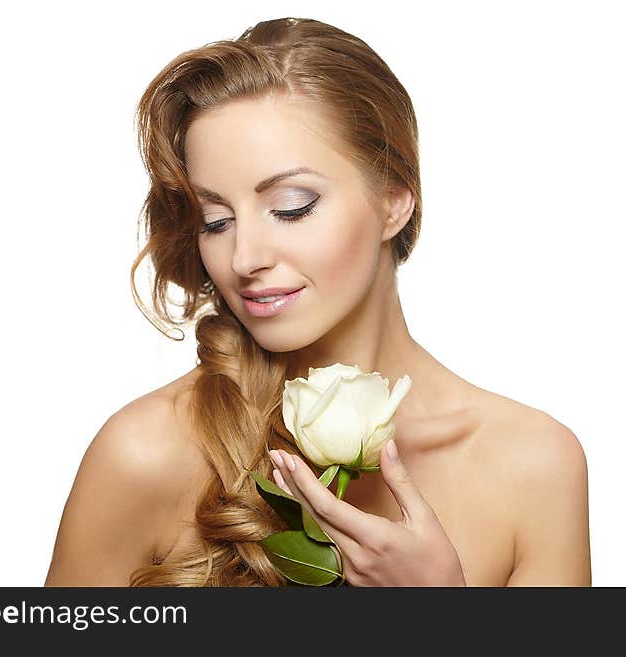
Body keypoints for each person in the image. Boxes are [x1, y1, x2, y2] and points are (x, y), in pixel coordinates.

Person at [44, 16, 591, 587]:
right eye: (216, 220)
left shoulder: (533, 466)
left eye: (292, 206)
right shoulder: (145, 454)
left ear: (394, 201)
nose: (243, 257)